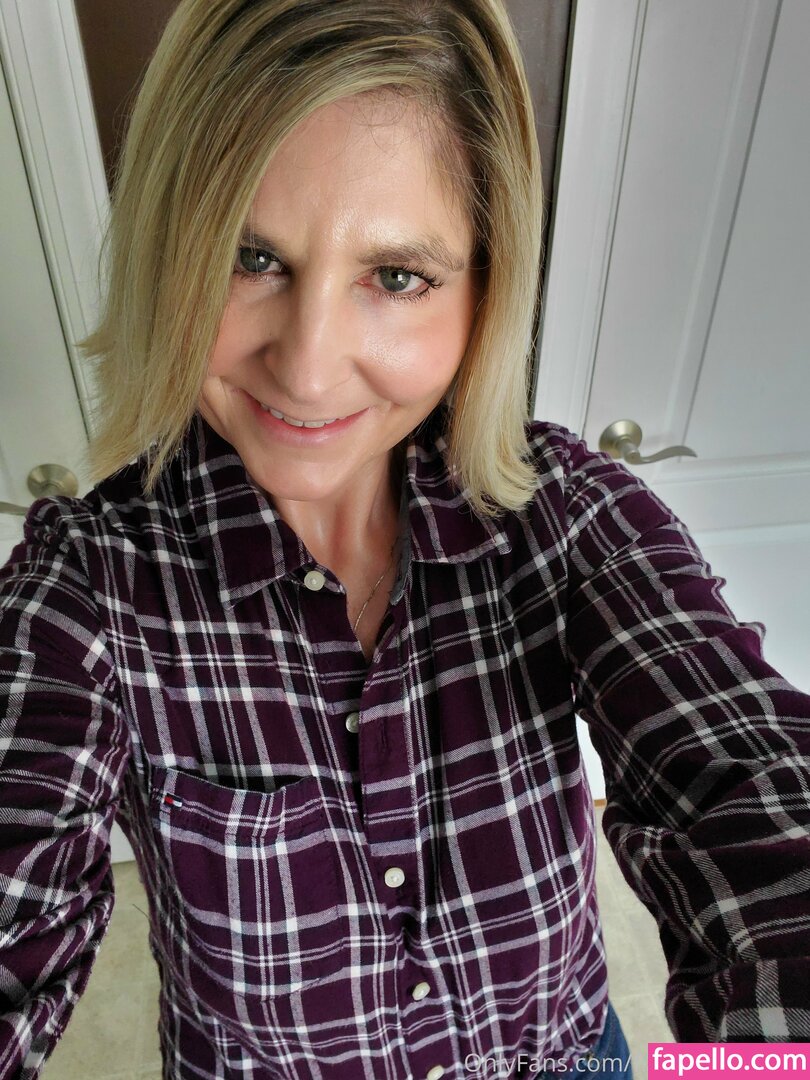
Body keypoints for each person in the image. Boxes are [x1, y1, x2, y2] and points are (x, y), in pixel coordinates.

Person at [0, 0, 808, 1077]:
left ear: (484, 290)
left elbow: (751, 785)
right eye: (250, 256)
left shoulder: (562, 518)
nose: (309, 367)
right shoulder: (88, 587)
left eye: (396, 277)